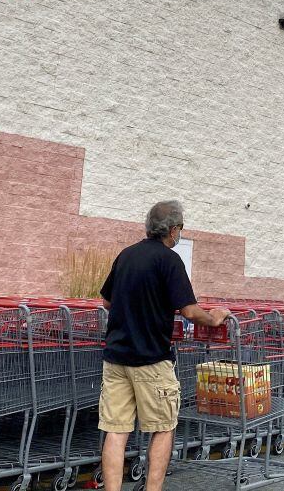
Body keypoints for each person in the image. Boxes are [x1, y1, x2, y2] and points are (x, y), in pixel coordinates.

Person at [98, 200, 231, 491]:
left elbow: (107, 301)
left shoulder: (126, 255)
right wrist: (215, 318)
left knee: (116, 430)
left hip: (116, 359)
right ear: (172, 229)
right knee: (162, 427)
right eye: (180, 229)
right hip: (151, 360)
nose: (179, 234)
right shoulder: (169, 261)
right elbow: (190, 311)